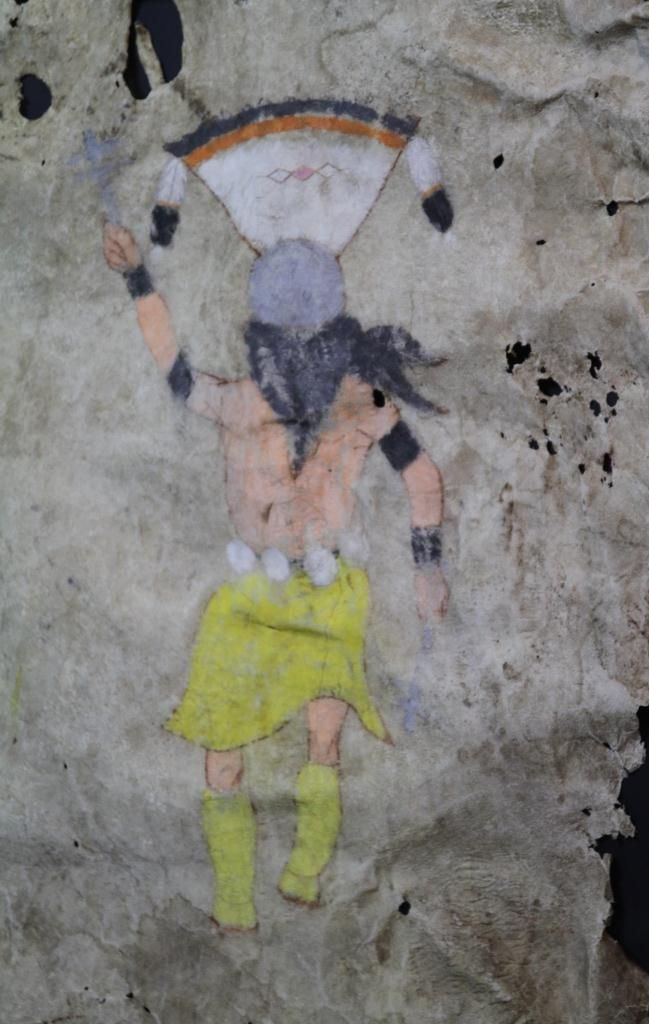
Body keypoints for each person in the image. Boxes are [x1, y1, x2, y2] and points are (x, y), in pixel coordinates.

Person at [102, 100, 450, 931]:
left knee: (323, 741)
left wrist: (429, 567)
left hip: (330, 598)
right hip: (250, 598)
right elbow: (176, 372)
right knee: (221, 748)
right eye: (280, 346)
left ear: (334, 339)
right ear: (263, 342)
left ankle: (305, 872)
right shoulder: (239, 401)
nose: (294, 364)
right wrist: (137, 278)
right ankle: (232, 898)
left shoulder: (362, 402)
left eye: (308, 347)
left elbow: (421, 475)